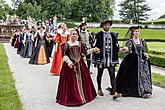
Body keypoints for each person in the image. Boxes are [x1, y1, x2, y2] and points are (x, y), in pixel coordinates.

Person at [56, 29, 99, 106]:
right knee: (70, 82)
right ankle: (73, 98)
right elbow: (64, 55)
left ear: (78, 35)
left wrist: (93, 49)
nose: (74, 35)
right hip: (69, 66)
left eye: (76, 34)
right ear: (70, 35)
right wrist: (69, 62)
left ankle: (84, 96)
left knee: (84, 79)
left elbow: (85, 52)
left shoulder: (80, 44)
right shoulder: (65, 45)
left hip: (80, 64)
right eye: (73, 34)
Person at [115, 26, 152, 99]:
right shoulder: (130, 41)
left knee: (144, 77)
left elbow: (143, 50)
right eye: (135, 31)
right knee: (131, 77)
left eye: (138, 31)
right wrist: (125, 49)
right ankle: (135, 92)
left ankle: (145, 91)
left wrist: (145, 54)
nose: (137, 33)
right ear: (132, 33)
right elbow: (128, 49)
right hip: (133, 62)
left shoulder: (142, 41)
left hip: (142, 62)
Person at [92, 20, 124, 99]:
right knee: (100, 74)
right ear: (102, 26)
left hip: (111, 59)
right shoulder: (98, 35)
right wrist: (96, 49)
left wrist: (121, 49)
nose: (107, 26)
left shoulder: (113, 35)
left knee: (112, 74)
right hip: (101, 58)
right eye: (105, 25)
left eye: (108, 25)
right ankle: (99, 89)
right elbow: (94, 44)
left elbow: (116, 46)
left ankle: (114, 91)